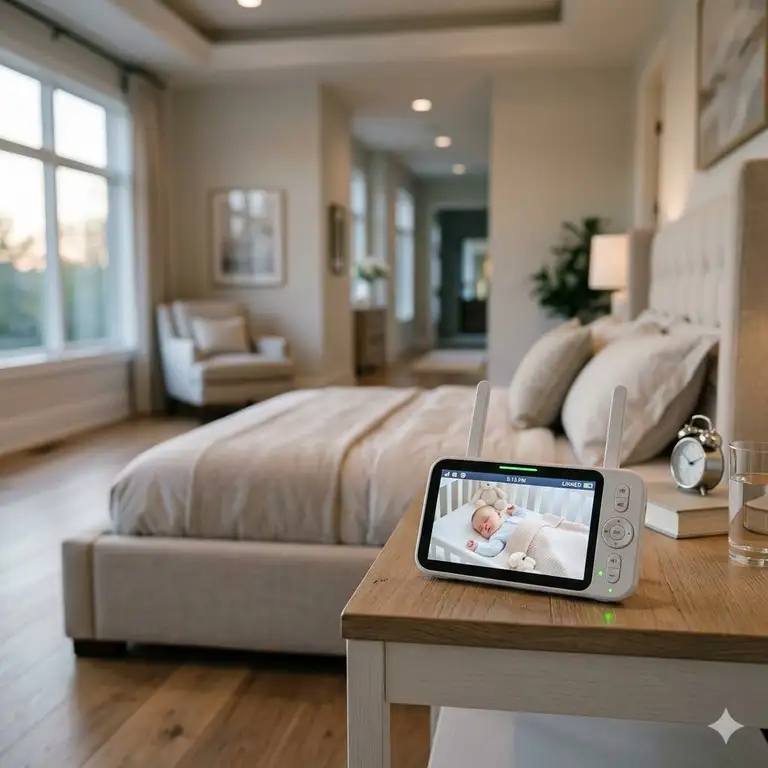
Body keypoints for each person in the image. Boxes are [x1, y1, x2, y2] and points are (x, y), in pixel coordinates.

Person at [466, 503, 533, 557]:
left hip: (534, 530)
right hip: (529, 544)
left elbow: (522, 514)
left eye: (486, 520)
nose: (484, 526)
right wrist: (477, 546)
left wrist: (514, 510)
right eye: (481, 529)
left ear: (498, 514)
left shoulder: (512, 519)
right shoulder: (496, 537)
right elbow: (492, 549)